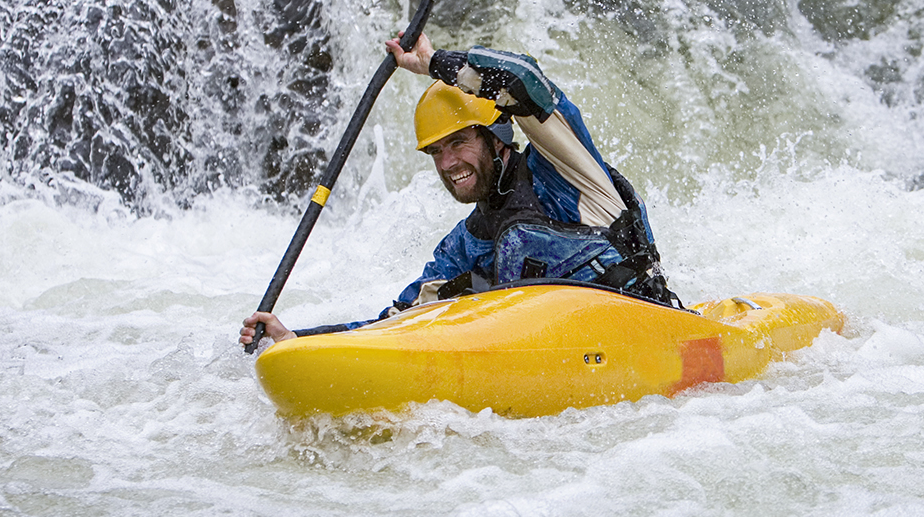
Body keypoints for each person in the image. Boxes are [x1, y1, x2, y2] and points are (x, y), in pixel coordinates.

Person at [240, 32, 673, 347]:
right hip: (571, 362)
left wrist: (432, 64)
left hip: (654, 335)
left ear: (498, 137)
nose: (447, 164)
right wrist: (296, 339)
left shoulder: (568, 170)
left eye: (459, 143)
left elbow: (522, 77)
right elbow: (397, 323)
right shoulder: (466, 245)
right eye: (435, 152)